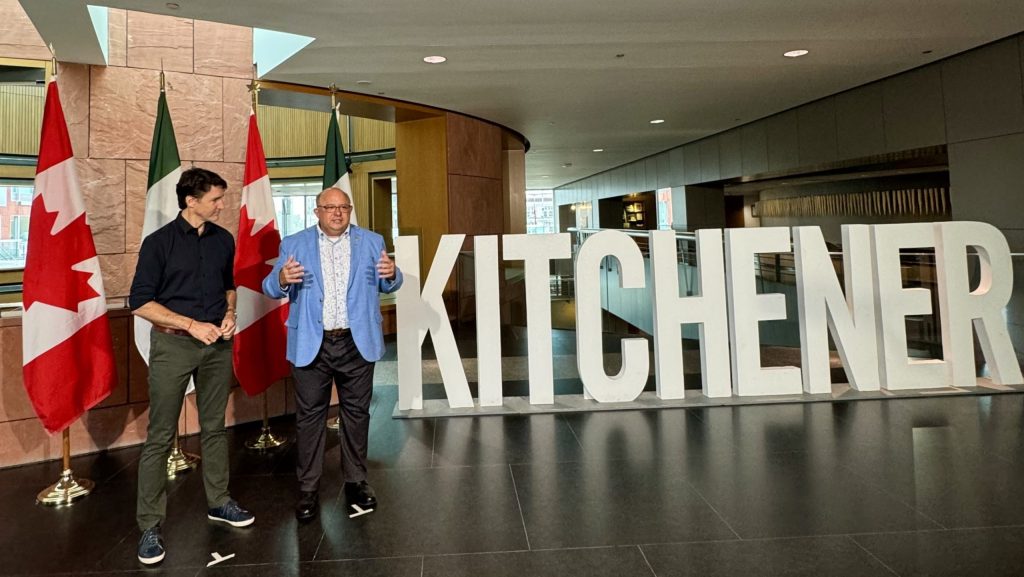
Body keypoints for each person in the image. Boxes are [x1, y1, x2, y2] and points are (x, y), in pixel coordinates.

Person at [129, 168, 254, 565]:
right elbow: (140, 301)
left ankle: (219, 502)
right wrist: (189, 325)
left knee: (215, 427)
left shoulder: (224, 239)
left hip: (217, 345)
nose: (222, 205)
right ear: (191, 201)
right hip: (174, 346)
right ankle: (150, 525)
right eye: (216, 199)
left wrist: (230, 312)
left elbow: (228, 285)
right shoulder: (158, 243)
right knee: (160, 435)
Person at [262, 187, 402, 522]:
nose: (337, 213)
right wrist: (282, 278)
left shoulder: (372, 241)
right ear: (316, 211)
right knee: (310, 418)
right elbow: (269, 286)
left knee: (357, 414)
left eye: (343, 207)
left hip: (357, 342)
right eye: (329, 207)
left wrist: (393, 276)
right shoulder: (294, 243)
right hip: (313, 343)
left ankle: (356, 481)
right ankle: (308, 488)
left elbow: (389, 283)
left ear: (350, 210)